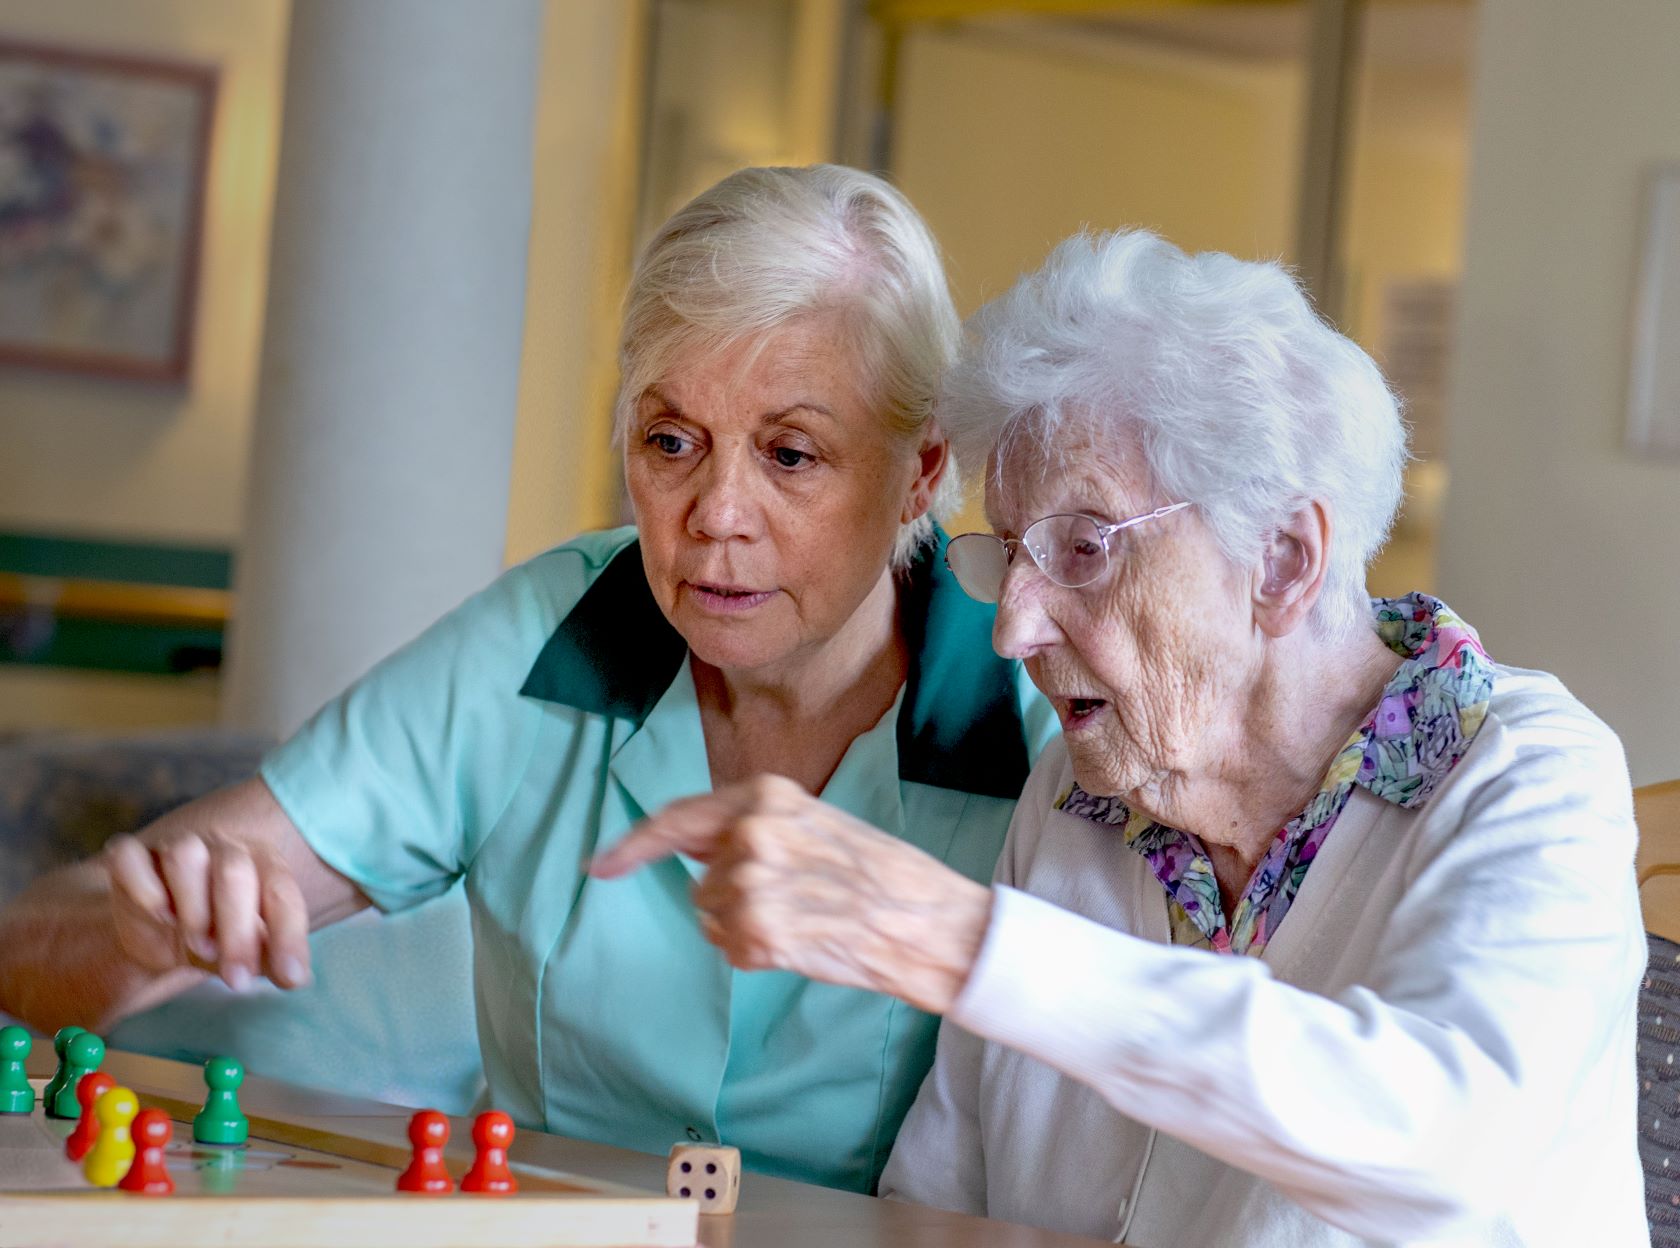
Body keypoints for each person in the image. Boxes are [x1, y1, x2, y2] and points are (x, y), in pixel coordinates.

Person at [0, 165, 1056, 1194]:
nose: (715, 514)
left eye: (790, 455)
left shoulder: (1041, 705)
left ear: (920, 470)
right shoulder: (543, 638)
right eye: (672, 440)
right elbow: (37, 955)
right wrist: (133, 936)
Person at [594, 230, 1649, 1244]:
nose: (1013, 625)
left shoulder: (1527, 779)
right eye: (1008, 555)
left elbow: (1443, 1150)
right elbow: (936, 1204)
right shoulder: (1077, 795)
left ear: (1282, 561)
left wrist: (964, 943)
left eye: (1084, 549)